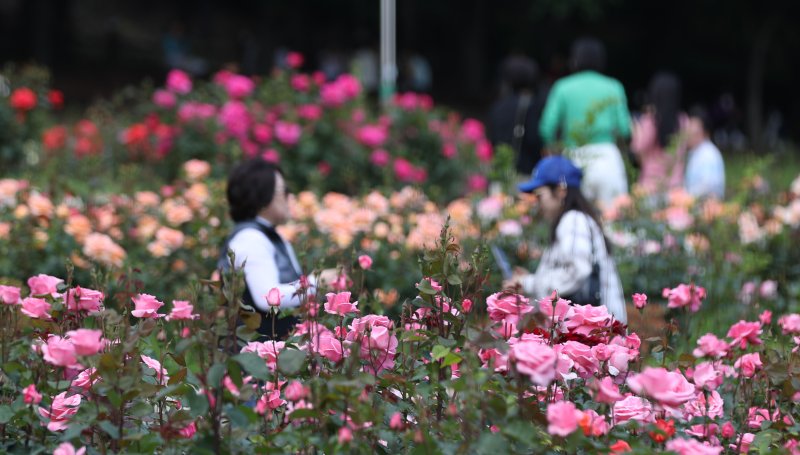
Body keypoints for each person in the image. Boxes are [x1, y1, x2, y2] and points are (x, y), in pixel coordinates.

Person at [218, 160, 338, 338]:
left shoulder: (266, 235)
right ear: (263, 197)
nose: (290, 197)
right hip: (258, 356)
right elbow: (267, 297)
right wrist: (317, 283)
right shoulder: (251, 238)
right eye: (285, 191)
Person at [507, 156, 627, 323]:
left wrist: (526, 283)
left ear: (561, 190)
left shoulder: (574, 220)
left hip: (596, 335)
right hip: (596, 335)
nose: (537, 203)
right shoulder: (575, 219)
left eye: (540, 195)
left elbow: (577, 271)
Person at [539, 37, 632, 206]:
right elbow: (625, 130)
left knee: (574, 217)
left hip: (574, 157)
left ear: (575, 58)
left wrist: (554, 148)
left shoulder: (563, 86)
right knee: (615, 218)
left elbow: (546, 128)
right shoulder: (613, 86)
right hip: (607, 156)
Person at [488, 55, 546, 176]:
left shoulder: (498, 106)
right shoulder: (533, 106)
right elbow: (533, 139)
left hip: (502, 171)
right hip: (526, 170)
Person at [630, 72, 686, 194]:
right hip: (676, 190)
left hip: (650, 188)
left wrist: (636, 129)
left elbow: (637, 149)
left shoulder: (650, 121)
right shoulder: (683, 121)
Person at [683, 106, 725, 199]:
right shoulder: (696, 152)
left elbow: (708, 189)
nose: (688, 135)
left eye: (693, 131)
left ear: (705, 132)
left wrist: (684, 196)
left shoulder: (708, 154)